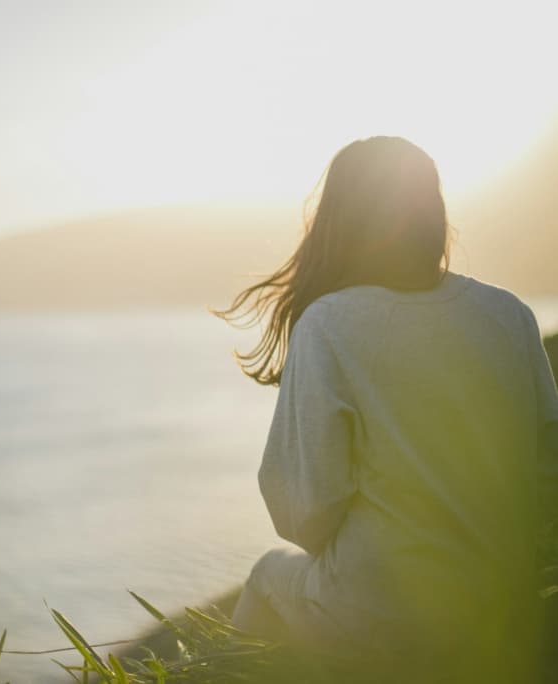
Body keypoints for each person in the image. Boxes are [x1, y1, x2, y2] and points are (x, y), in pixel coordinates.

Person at [215, 136, 558, 681]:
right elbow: (546, 475)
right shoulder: (509, 314)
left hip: (384, 616)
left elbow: (305, 514)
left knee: (265, 578)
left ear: (338, 221)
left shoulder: (328, 324)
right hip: (500, 605)